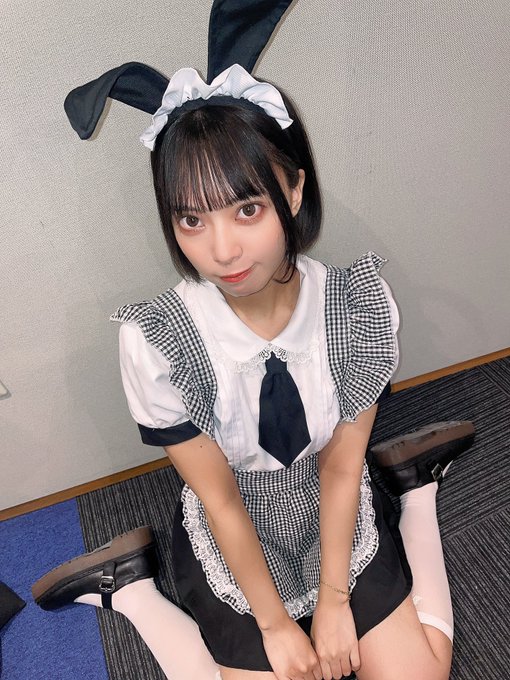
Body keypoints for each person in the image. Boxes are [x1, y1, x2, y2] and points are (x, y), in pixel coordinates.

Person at [32, 2, 475, 678]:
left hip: (332, 503)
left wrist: (334, 600)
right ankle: (133, 588)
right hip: (236, 526)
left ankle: (414, 490)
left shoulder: (356, 308)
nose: (222, 251)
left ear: (292, 192)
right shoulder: (159, 342)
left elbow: (339, 468)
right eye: (191, 219)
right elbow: (220, 500)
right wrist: (274, 625)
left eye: (247, 209)